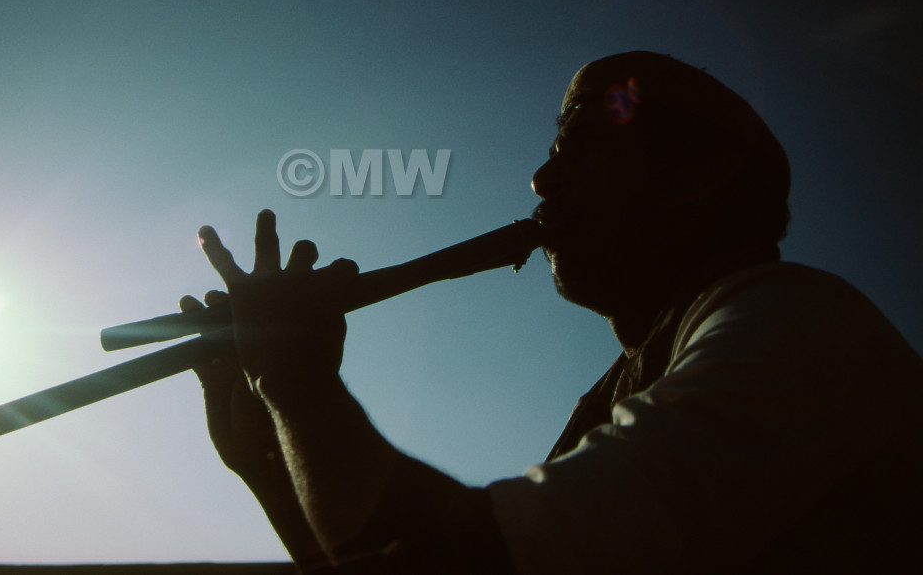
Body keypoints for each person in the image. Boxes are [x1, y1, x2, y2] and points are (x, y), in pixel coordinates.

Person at [178, 51, 923, 573]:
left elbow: (457, 566)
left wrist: (294, 381)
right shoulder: (616, 394)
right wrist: (270, 459)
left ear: (695, 177)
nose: (540, 178)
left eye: (582, 145)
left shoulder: (798, 327)